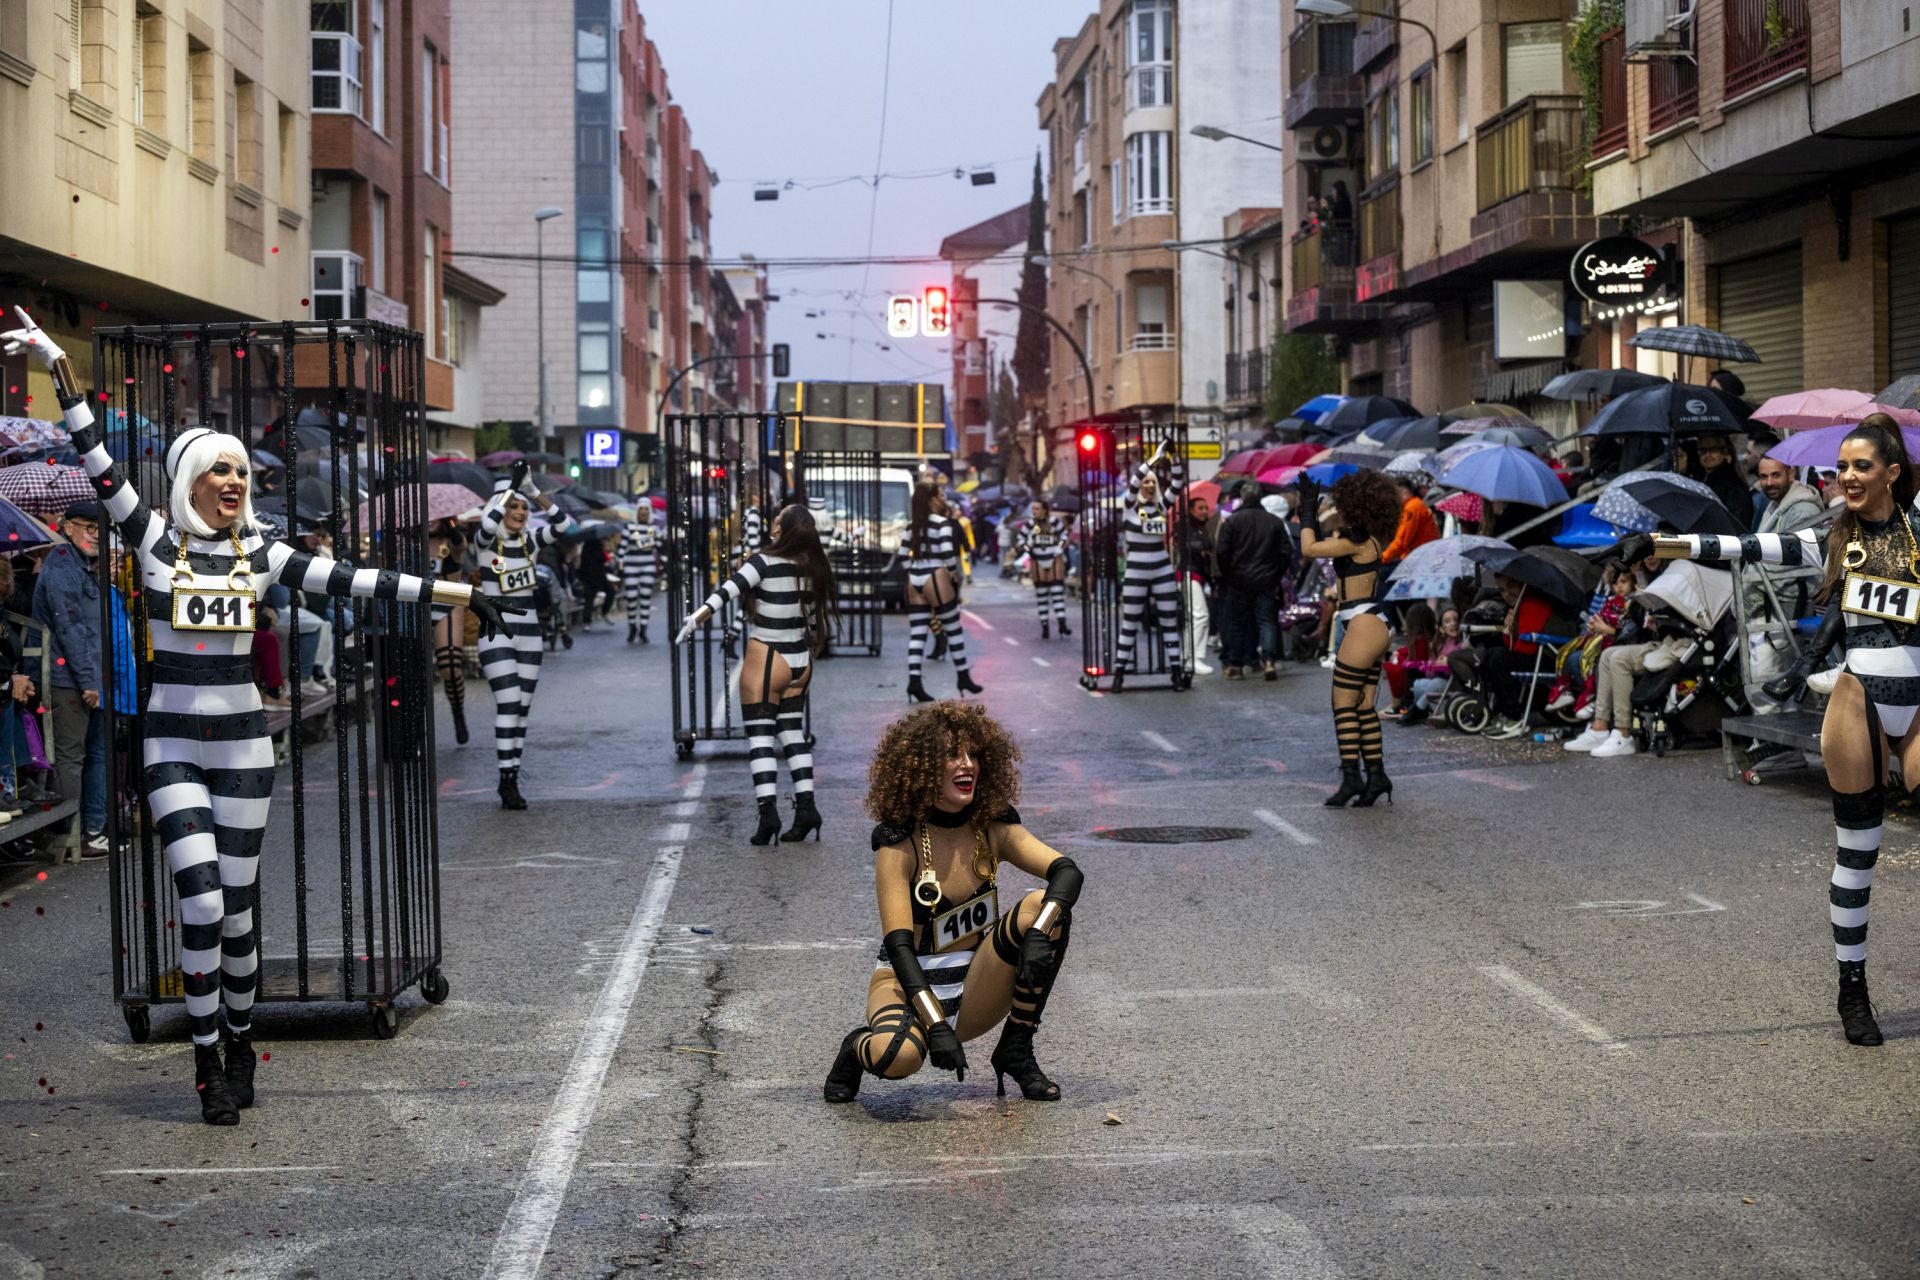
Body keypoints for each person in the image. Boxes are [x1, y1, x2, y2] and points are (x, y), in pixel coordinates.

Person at [3, 305, 510, 1124]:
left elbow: (355, 584)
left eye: (243, 471)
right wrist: (62, 373)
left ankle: (240, 1037)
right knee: (201, 903)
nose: (236, 482)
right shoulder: (154, 540)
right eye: (221, 470)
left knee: (236, 912)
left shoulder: (260, 552)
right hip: (172, 742)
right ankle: (208, 1061)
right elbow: (97, 463)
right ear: (188, 479)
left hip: (244, 745)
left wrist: (460, 594)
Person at [1616, 416, 1916, 1049]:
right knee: (1858, 851)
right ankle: (1852, 988)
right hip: (1859, 697)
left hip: (1917, 703)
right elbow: (1747, 548)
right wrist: (1665, 545)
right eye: (1841, 467)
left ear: (1892, 473)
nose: (1848, 477)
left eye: (1863, 466)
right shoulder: (1833, 538)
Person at [824, 702, 1084, 1105]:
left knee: (1043, 908)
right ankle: (855, 1049)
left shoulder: (992, 823)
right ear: (921, 768)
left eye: (973, 754)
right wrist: (935, 1026)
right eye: (951, 755)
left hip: (976, 982)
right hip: (908, 984)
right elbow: (899, 948)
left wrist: (1038, 933)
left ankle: (1016, 1048)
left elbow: (1066, 872)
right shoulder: (899, 841)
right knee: (897, 1057)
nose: (968, 766)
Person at [677, 503, 837, 845]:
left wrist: (696, 619)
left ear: (784, 529)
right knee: (792, 735)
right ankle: (807, 810)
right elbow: (811, 620)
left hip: (768, 655)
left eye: (778, 519)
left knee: (760, 738)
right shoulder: (813, 566)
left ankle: (768, 816)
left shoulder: (762, 561)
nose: (772, 522)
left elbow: (728, 591)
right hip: (799, 661)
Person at [1296, 469, 1404, 806]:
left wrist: (1308, 512)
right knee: (1363, 707)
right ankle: (1376, 776)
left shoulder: (1357, 541)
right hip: (1371, 621)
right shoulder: (1369, 538)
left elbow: (1309, 549)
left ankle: (1352, 779)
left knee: (1343, 705)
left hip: (1361, 621)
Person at [474, 463, 578, 810]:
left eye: (523, 508)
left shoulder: (531, 540)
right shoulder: (485, 543)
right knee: (509, 702)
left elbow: (564, 525)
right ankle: (505, 779)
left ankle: (513, 774)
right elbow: (488, 525)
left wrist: (534, 492)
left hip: (530, 632)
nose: (519, 512)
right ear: (499, 508)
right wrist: (508, 491)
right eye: (512, 506)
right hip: (496, 630)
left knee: (523, 709)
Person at [32, 501, 107, 857]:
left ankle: (88, 831)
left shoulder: (84, 565)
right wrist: (89, 681)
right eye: (87, 527)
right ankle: (69, 835)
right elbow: (70, 627)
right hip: (68, 679)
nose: (94, 534)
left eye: (98, 528)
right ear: (66, 527)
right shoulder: (62, 566)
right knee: (70, 757)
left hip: (85, 676)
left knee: (91, 754)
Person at [1112, 446, 1188, 693]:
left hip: (1162, 566)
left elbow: (1178, 482)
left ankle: (1176, 673)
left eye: (1152, 482)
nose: (1148, 485)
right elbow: (1134, 481)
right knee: (1130, 622)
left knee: (1169, 620)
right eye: (1146, 482)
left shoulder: (1161, 507)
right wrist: (1155, 458)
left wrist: (1174, 457)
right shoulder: (1130, 506)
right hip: (1136, 568)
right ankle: (1119, 673)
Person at [903, 481, 982, 703]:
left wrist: (913, 570)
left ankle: (914, 682)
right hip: (936, 576)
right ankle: (963, 676)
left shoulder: (912, 526)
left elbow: (902, 556)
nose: (944, 499)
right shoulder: (943, 524)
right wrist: (953, 575)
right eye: (941, 495)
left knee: (918, 632)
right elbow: (948, 555)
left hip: (914, 577)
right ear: (933, 500)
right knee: (953, 629)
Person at [1214, 480, 1292, 680]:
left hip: (1239, 579)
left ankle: (1236, 665)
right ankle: (1268, 661)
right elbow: (1286, 552)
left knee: (1238, 622)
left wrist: (1229, 573)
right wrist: (1276, 574)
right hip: (1266, 579)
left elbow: (1222, 552)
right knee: (1266, 621)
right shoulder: (1274, 521)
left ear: (1243, 497)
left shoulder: (1232, 521)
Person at [1747, 456, 1825, 618]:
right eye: (1763, 476)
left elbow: (1794, 559)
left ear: (1790, 474)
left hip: (1794, 593)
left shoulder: (1804, 511)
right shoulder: (1775, 504)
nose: (1769, 482)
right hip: (1774, 588)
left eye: (1776, 475)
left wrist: (1754, 570)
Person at [428, 519, 471, 744]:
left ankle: (458, 712)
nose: (430, 520)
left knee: (451, 666)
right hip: (416, 604)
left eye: (435, 515)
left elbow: (460, 545)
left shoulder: (453, 539)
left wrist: (450, 522)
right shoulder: (409, 542)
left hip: (448, 600)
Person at [1015, 498, 1071, 640]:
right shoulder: (1030, 524)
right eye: (1033, 509)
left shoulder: (1055, 522)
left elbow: (1064, 536)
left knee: (1057, 593)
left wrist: (1059, 549)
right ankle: (1045, 626)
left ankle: (1062, 623)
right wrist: (1029, 550)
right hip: (1037, 561)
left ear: (1045, 510)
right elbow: (1020, 539)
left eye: (1037, 509)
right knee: (1041, 595)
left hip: (1054, 560)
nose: (1034, 511)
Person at [1690, 435, 1754, 527]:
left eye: (1713, 450)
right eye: (1703, 450)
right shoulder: (1698, 480)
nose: (1707, 455)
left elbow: (1738, 523)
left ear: (1725, 452)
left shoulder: (1734, 486)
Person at [617, 513, 660, 643]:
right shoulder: (629, 527)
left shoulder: (652, 527)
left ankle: (643, 628)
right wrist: (620, 565)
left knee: (645, 597)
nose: (643, 512)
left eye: (646, 509)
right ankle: (632, 627)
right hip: (631, 565)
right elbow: (622, 548)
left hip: (648, 565)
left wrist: (640, 542)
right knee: (631, 598)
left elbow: (656, 545)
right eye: (641, 509)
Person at [1381, 474, 1439, 565]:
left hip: (1421, 559)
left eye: (1393, 493)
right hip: (1421, 556)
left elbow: (1401, 541)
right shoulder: (1413, 505)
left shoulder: (1411, 508)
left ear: (1403, 492)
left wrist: (1382, 558)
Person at [576, 532, 616, 629]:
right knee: (610, 592)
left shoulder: (587, 545)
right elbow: (601, 559)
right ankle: (604, 612)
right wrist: (604, 551)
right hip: (597, 576)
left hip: (587, 576)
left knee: (589, 599)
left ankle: (587, 622)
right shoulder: (597, 546)